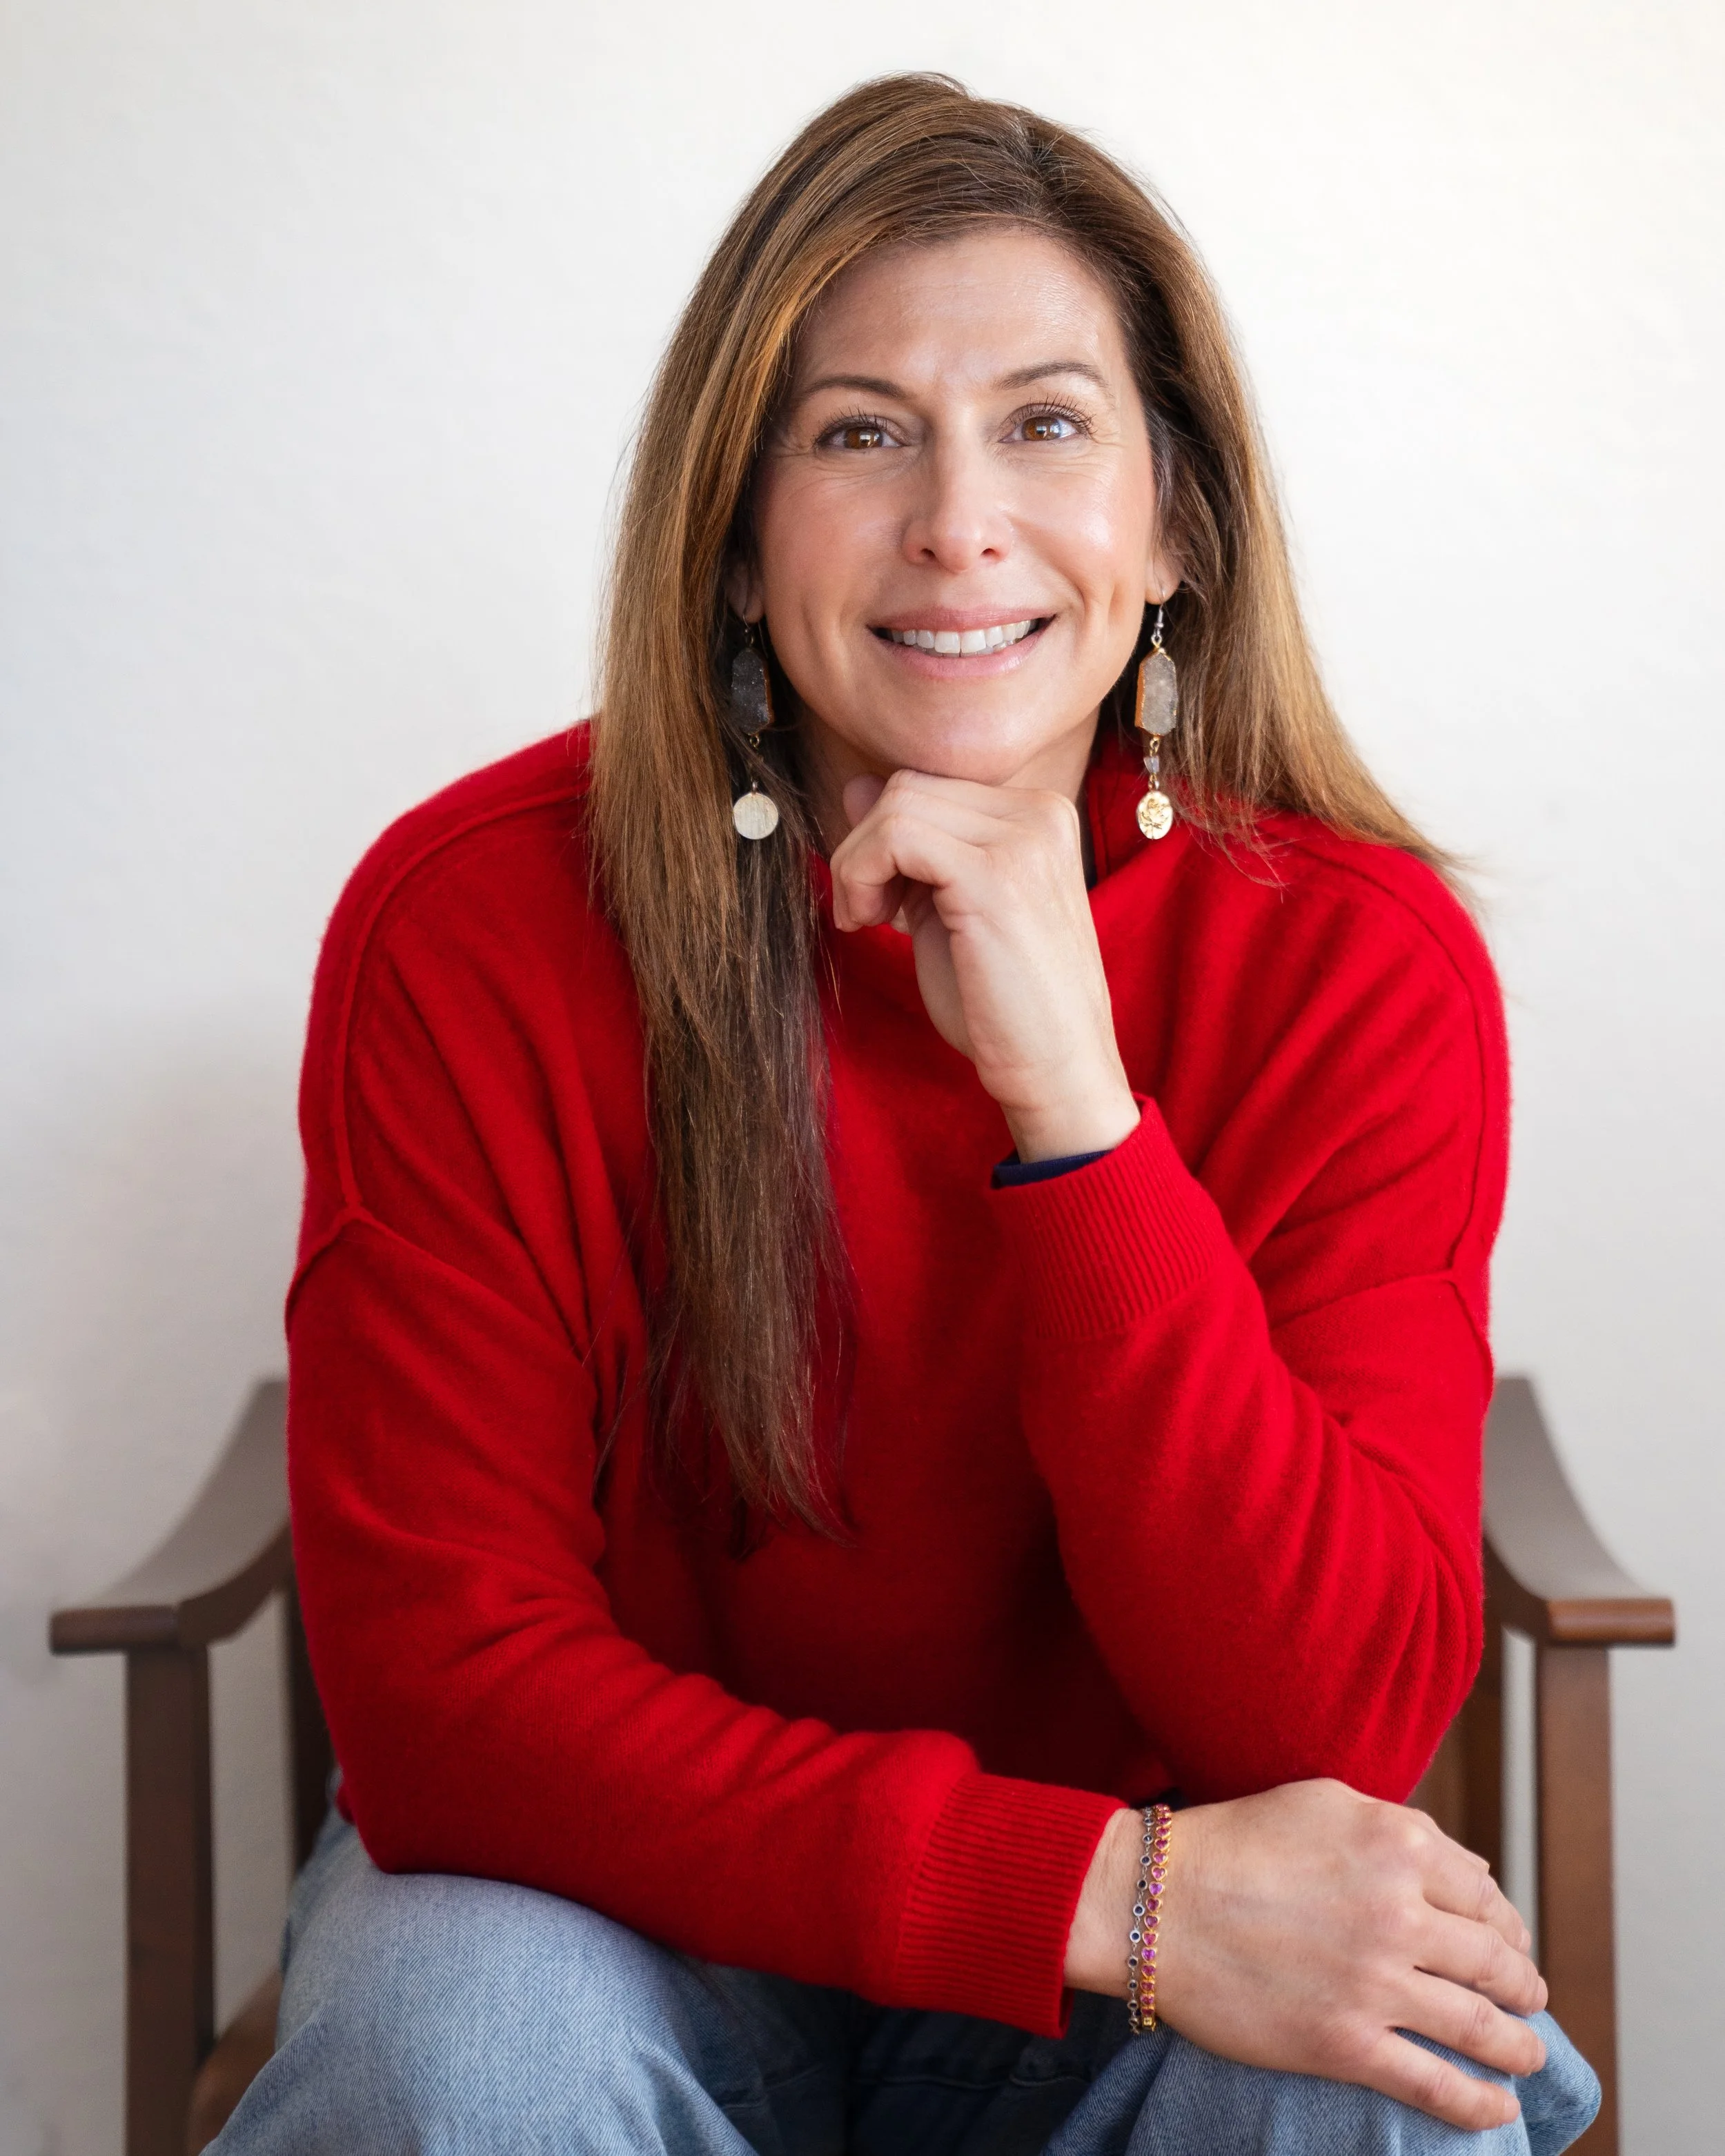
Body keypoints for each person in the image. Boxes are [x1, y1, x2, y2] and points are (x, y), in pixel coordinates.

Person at [215, 73, 1601, 2156]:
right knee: (456, 2052)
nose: (959, 522)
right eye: (860, 433)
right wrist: (1092, 1892)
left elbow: (1333, 1718)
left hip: (1161, 1957)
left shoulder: (1354, 959)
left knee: (1377, 2075)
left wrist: (1076, 1113)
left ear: (1173, 523)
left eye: (1045, 423)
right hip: (617, 1905)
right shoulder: (471, 922)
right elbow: (447, 1699)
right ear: (735, 532)